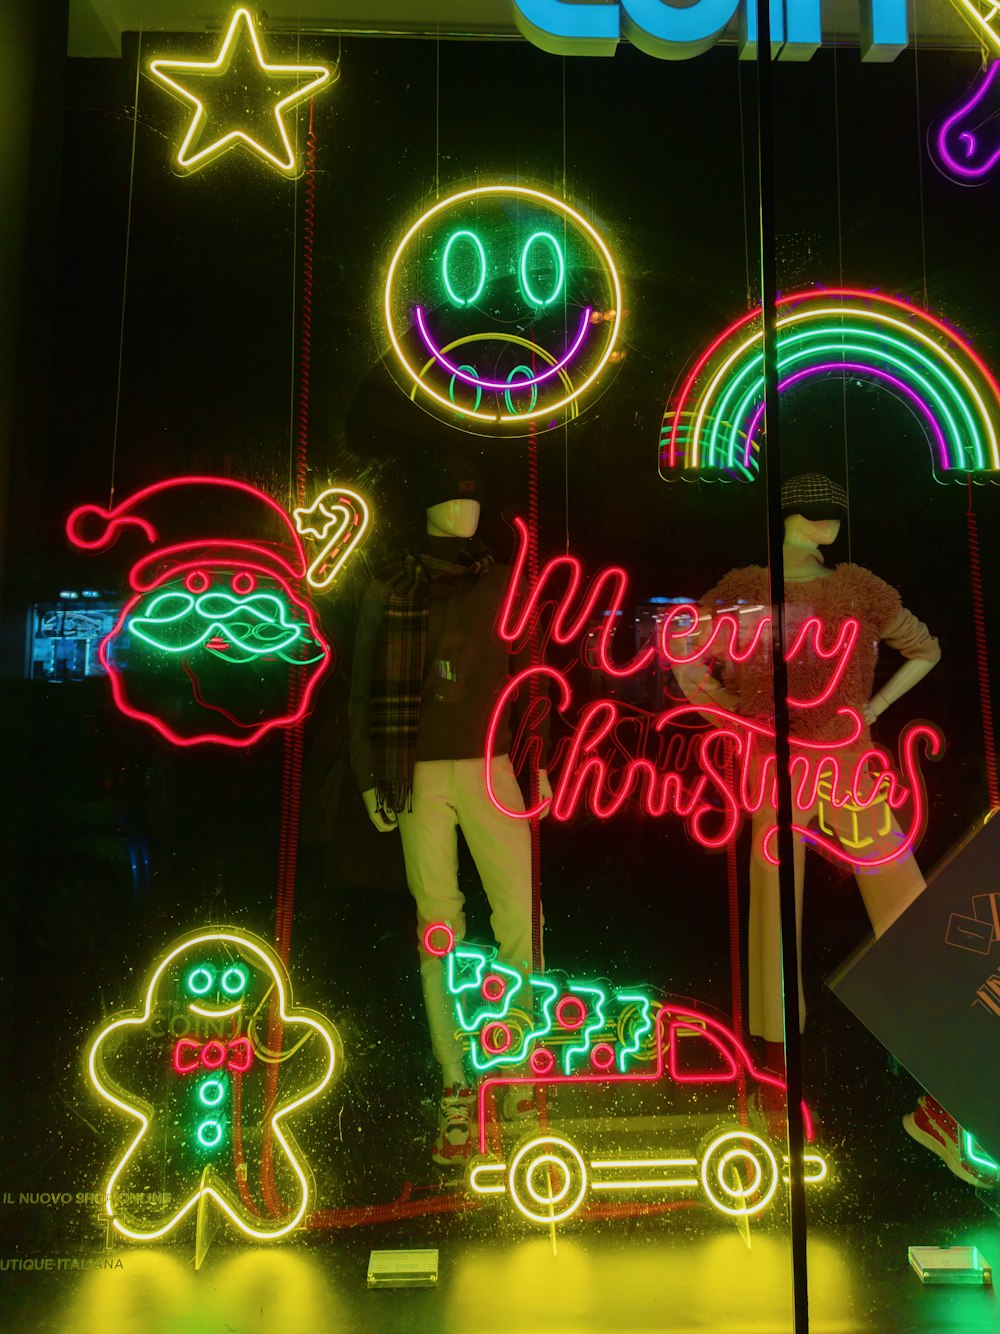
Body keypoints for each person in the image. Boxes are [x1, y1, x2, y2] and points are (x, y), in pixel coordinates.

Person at [675, 473, 984, 1182]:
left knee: (893, 907)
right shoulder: (745, 590)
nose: (830, 526)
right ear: (788, 516)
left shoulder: (852, 590)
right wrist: (738, 709)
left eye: (833, 514)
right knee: (781, 914)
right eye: (817, 514)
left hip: (832, 752)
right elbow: (688, 662)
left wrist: (870, 711)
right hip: (792, 755)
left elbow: (927, 649)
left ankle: (943, 1087)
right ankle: (783, 1082)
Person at [348, 453, 549, 1166]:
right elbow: (364, 685)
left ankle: (520, 1071)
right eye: (448, 497)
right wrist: (371, 776)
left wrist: (540, 760)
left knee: (520, 920)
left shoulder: (501, 580)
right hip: (419, 774)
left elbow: (529, 675)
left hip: (492, 766)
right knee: (440, 929)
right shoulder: (392, 584)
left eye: (472, 499)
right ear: (426, 507)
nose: (463, 511)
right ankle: (456, 1079)